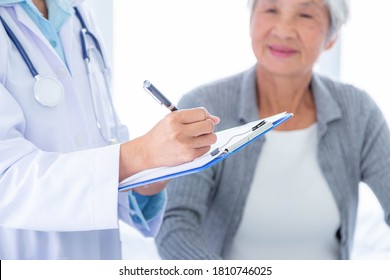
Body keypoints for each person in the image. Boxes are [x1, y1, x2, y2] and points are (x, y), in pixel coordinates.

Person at [155, 0, 390, 260]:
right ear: (251, 21)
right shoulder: (204, 106)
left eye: (305, 14)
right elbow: (176, 223)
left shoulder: (358, 110)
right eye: (270, 9)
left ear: (332, 37)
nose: (284, 30)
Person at [0, 0, 219, 259]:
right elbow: (7, 178)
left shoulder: (75, 10)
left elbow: (100, 139)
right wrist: (140, 155)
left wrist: (148, 177)